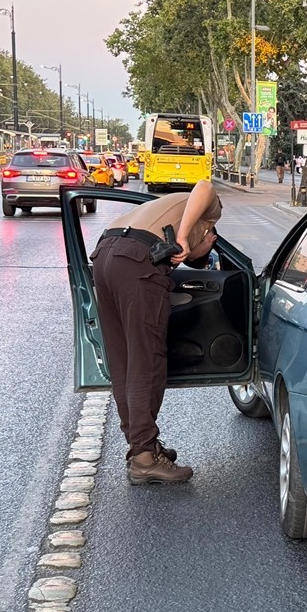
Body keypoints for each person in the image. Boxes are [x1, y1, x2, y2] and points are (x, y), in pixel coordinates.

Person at [90, 180, 222, 484]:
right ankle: (145, 458)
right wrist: (186, 237)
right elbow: (204, 186)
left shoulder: (160, 211)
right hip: (138, 259)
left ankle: (142, 447)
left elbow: (180, 254)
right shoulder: (208, 216)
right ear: (210, 236)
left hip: (105, 254)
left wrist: (181, 241)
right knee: (146, 360)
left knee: (123, 362)